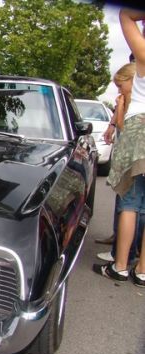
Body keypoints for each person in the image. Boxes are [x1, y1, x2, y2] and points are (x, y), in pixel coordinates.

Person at [94, 8, 145, 288]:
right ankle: (143, 271)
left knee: (130, 202)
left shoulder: (142, 58)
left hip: (140, 131)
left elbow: (125, 14)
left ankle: (120, 266)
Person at [96, 63, 144, 264]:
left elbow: (125, 130)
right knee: (141, 207)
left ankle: (121, 261)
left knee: (129, 205)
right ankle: (140, 268)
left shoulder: (136, 101)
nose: (119, 91)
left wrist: (121, 107)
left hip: (135, 161)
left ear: (134, 80)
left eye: (121, 85)